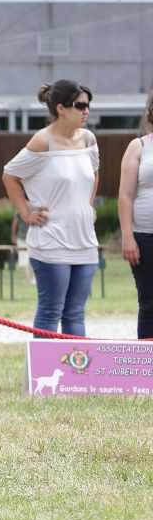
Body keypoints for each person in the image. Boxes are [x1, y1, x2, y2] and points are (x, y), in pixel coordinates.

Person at [3, 80, 99, 337]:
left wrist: (88, 206)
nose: (86, 111)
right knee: (50, 311)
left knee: (75, 312)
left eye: (88, 105)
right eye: (80, 105)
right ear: (61, 109)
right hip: (51, 241)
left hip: (85, 240)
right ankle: (43, 365)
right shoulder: (42, 141)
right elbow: (9, 175)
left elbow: (94, 172)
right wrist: (26, 214)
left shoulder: (89, 139)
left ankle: (75, 366)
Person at [118, 92, 153, 339]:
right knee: (149, 303)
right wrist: (127, 235)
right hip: (144, 237)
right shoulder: (139, 146)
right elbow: (125, 195)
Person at [11, 211, 36, 284]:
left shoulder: (22, 209)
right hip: (24, 238)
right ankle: (29, 279)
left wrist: (13, 234)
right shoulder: (33, 208)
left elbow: (15, 223)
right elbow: (15, 222)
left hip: (30, 237)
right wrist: (13, 235)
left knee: (27, 258)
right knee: (26, 258)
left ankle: (30, 279)